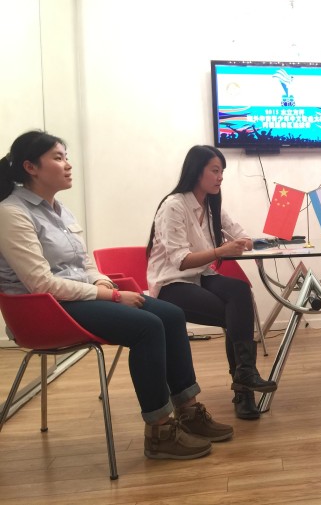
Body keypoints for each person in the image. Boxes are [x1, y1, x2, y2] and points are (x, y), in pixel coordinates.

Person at [0, 130, 233, 460]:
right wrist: (109, 297)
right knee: (147, 327)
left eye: (66, 157)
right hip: (45, 310)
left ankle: (189, 410)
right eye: (58, 158)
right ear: (30, 167)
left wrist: (103, 282)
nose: (68, 164)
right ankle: (159, 432)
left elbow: (83, 264)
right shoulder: (11, 213)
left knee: (171, 315)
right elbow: (41, 284)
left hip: (77, 297)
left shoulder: (60, 210)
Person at [147, 145, 276, 421]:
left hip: (201, 276)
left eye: (222, 172)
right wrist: (220, 251)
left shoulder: (211, 204)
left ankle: (244, 375)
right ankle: (244, 390)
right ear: (197, 172)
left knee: (239, 291)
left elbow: (241, 234)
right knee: (235, 313)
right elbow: (181, 261)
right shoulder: (174, 205)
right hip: (171, 283)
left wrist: (250, 242)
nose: (220, 177)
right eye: (215, 171)